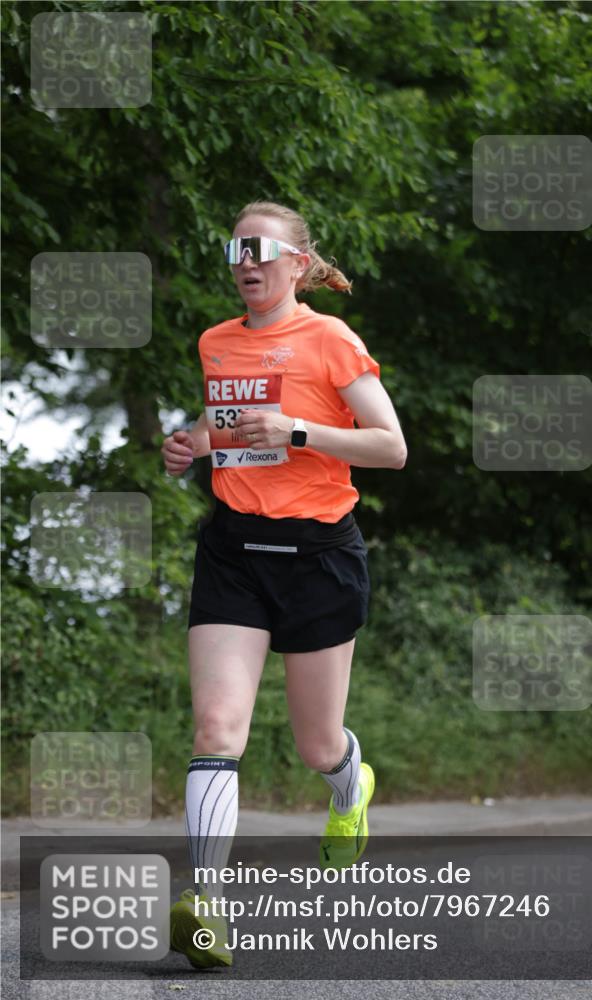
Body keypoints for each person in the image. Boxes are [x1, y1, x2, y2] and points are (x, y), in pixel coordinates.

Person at [161, 200, 407, 969]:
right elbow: (231, 428)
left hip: (318, 559)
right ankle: (205, 905)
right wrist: (194, 443)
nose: (246, 263)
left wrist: (300, 433)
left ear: (297, 264)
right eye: (236, 250)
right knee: (216, 730)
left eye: (261, 250)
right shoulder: (216, 342)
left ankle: (349, 782)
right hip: (234, 552)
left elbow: (390, 447)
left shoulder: (329, 338)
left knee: (315, 744)